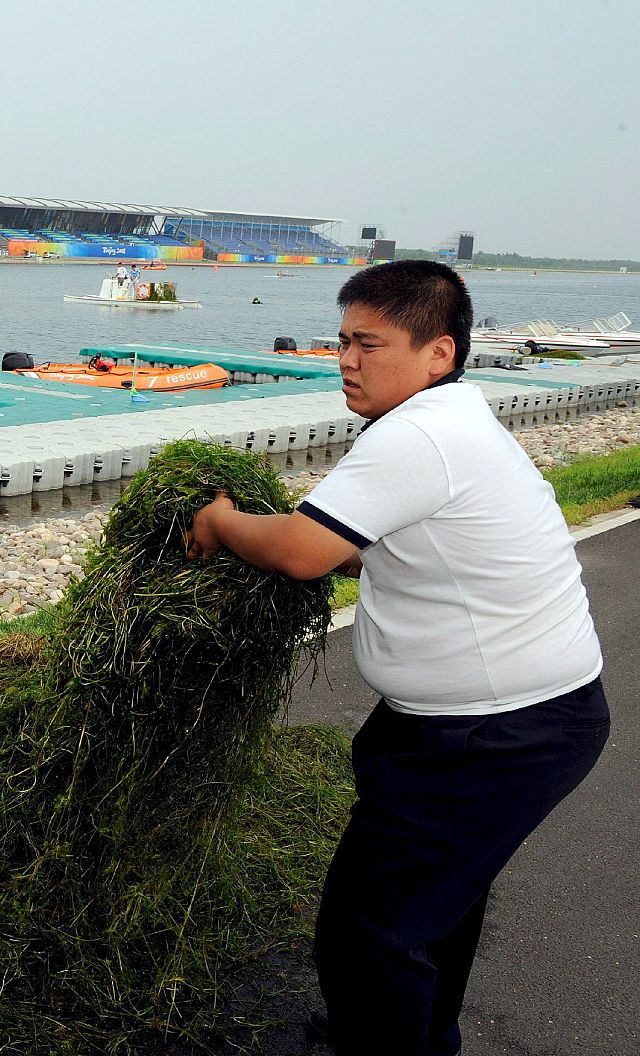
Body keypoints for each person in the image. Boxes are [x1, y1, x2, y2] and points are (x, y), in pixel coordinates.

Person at [185, 260, 608, 1056]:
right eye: (342, 341)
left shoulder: (419, 433)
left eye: (368, 345)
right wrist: (306, 540)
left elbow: (304, 552)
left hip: (495, 736)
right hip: (502, 720)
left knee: (369, 928)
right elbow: (378, 551)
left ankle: (386, 1038)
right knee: (435, 908)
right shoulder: (451, 419)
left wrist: (221, 523)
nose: (346, 361)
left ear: (438, 352)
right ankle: (409, 1034)